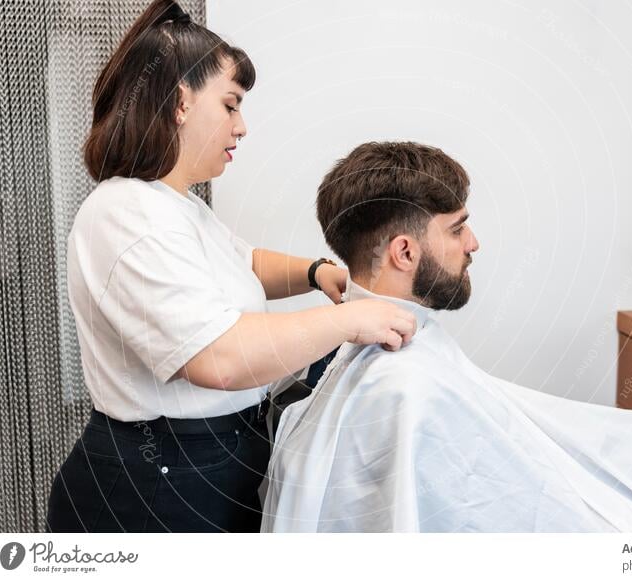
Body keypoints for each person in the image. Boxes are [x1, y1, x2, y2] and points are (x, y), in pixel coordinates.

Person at [261, 141, 632, 533]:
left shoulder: (374, 359)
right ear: (404, 252)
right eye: (458, 228)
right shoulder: (402, 391)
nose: (474, 243)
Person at [46, 1, 417, 533]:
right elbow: (217, 358)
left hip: (218, 460)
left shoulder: (180, 205)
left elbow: (244, 264)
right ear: (179, 102)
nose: (241, 126)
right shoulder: (127, 215)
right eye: (230, 104)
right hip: (156, 486)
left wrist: (319, 273)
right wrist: (351, 321)